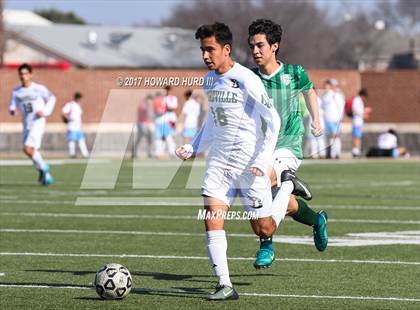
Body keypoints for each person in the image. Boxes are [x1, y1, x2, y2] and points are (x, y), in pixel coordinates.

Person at [175, 22, 280, 301]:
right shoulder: (209, 80)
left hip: (249, 164)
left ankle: (285, 190)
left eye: (210, 49)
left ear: (226, 49)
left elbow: (273, 120)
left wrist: (263, 158)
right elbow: (213, 120)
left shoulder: (246, 79)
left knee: (264, 228)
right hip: (220, 163)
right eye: (202, 50)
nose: (205, 56)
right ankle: (225, 284)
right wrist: (194, 146)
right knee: (212, 219)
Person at [247, 19, 328, 269]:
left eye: (260, 45)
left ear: (274, 46)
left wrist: (317, 118)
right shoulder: (250, 78)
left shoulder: (294, 72)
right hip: (262, 148)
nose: (255, 51)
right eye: (252, 46)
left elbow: (310, 90)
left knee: (262, 180)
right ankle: (316, 220)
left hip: (288, 146)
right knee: (285, 204)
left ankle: (266, 245)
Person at [8, 63, 56, 185]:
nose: (23, 76)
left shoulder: (39, 88)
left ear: (30, 75)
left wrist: (45, 111)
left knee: (27, 148)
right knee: (29, 150)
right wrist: (12, 110)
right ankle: (46, 176)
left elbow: (52, 98)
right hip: (26, 123)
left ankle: (44, 168)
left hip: (37, 121)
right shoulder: (16, 91)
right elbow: (12, 104)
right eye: (21, 74)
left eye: (25, 73)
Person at [321, 79, 345, 159]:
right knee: (332, 136)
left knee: (335, 136)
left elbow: (341, 107)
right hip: (329, 118)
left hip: (335, 119)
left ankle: (335, 153)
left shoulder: (337, 96)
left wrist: (341, 117)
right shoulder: (327, 95)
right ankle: (333, 153)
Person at [62, 92, 89, 158]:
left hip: (78, 127)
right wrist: (69, 118)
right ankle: (72, 154)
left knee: (81, 140)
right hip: (72, 126)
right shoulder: (70, 105)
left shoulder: (78, 106)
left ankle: (85, 154)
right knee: (72, 140)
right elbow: (63, 112)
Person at [153, 92, 176, 159]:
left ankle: (160, 153)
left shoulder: (161, 101)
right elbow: (159, 112)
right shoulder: (159, 101)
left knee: (162, 138)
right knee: (165, 137)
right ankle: (164, 153)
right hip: (162, 121)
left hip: (161, 121)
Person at [351, 88, 371, 158]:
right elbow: (354, 110)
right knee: (357, 136)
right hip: (357, 122)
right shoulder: (357, 100)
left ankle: (356, 150)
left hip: (359, 121)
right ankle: (356, 151)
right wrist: (364, 111)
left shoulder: (359, 101)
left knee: (357, 136)